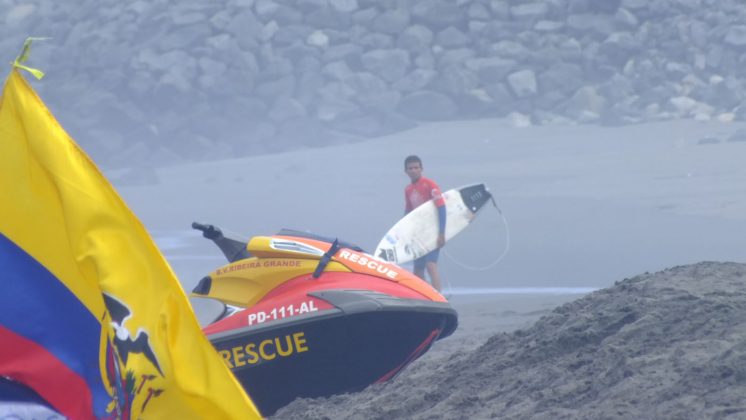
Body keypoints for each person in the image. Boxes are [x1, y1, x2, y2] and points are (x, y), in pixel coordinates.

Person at [403, 155, 446, 291]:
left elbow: (441, 207)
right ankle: (425, 297)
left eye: (416, 167)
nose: (414, 170)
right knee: (418, 269)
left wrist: (441, 233)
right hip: (419, 233)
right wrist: (403, 231)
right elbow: (409, 212)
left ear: (421, 169)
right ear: (406, 171)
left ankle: (439, 297)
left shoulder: (430, 185)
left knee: (430, 264)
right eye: (410, 168)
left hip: (433, 230)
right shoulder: (408, 189)